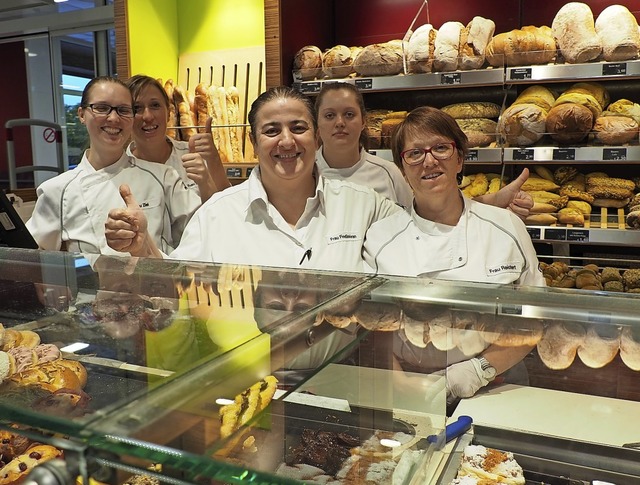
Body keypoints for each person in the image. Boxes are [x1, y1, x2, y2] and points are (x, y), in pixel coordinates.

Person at [105, 86, 532, 269]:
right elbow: (177, 280)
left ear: (315, 136)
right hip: (253, 381)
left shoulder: (363, 204)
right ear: (254, 143)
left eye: (298, 127)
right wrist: (144, 246)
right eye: (271, 131)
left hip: (346, 380)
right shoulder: (218, 215)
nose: (286, 141)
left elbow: (427, 214)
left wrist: (489, 208)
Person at [361, 105, 546, 405]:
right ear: (402, 168)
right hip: (411, 389)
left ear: (460, 158)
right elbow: (373, 327)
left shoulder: (505, 227)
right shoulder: (381, 238)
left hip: (496, 385)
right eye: (415, 153)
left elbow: (535, 317)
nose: (429, 160)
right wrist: (400, 384)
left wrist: (479, 369)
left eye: (440, 148)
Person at [26, 76, 200, 255]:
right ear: (81, 115)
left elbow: (201, 235)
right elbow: (34, 259)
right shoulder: (57, 190)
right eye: (101, 108)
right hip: (90, 284)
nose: (114, 118)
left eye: (124, 110)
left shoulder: (164, 177)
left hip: (158, 282)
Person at [314, 82, 533, 217]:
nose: (340, 122)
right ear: (317, 123)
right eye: (329, 115)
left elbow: (426, 213)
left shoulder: (388, 173)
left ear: (364, 121)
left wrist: (489, 203)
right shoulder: (304, 173)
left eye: (349, 114)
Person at [125, 74, 232, 202]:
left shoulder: (195, 154)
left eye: (155, 105)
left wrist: (212, 163)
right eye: (137, 108)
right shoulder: (120, 169)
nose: (147, 116)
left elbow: (228, 208)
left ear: (169, 113)